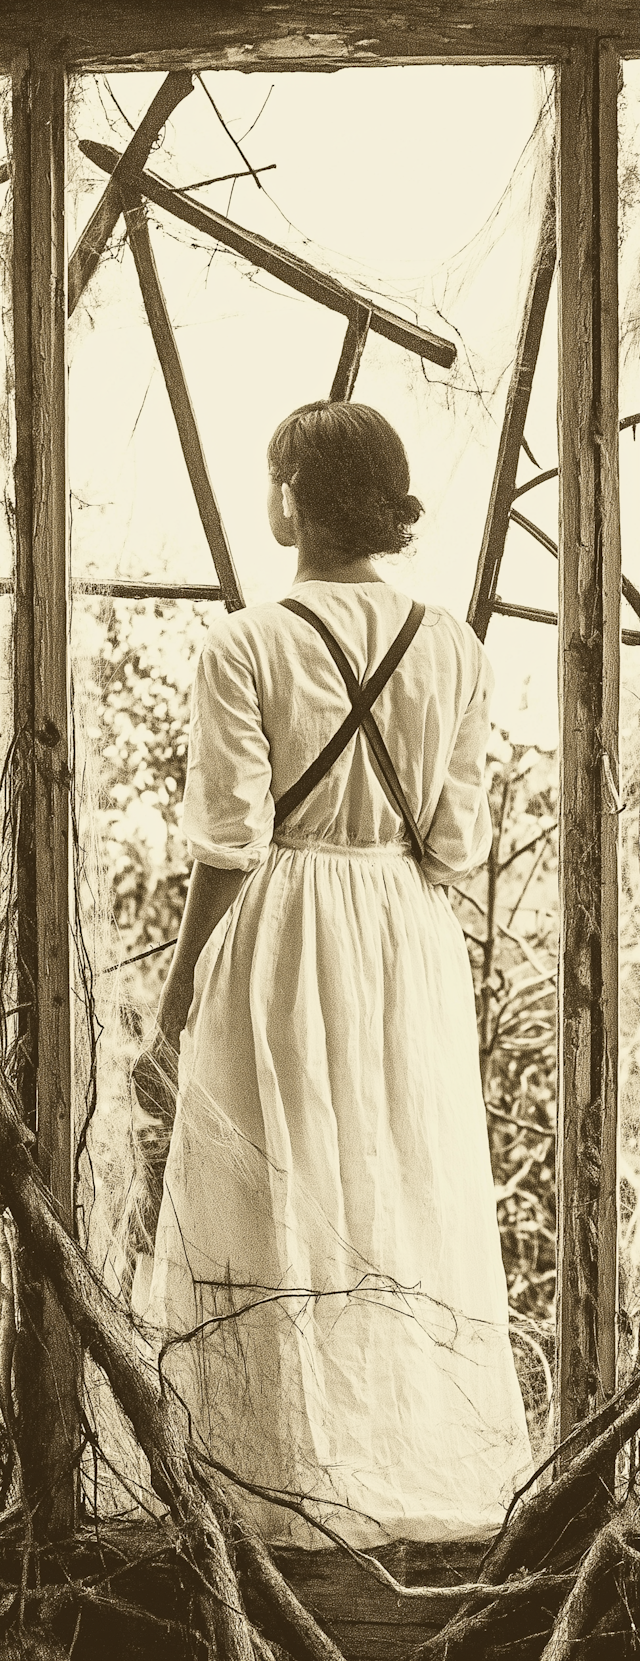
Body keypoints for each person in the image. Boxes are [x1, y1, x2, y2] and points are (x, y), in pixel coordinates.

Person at [133, 400, 531, 1548]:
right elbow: (453, 846)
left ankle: (263, 1487)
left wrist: (172, 1011)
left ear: (297, 491)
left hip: (279, 930)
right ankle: (395, 1468)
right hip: (403, 935)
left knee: (266, 1184)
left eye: (273, 473)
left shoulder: (245, 643)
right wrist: (385, 921)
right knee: (393, 1177)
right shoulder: (450, 646)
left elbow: (227, 844)